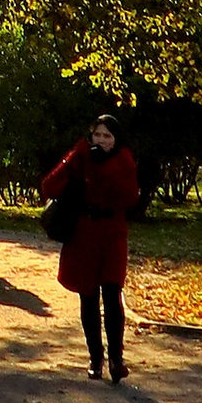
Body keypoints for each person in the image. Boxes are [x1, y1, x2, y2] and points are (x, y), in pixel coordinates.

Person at [39, 113, 140, 380]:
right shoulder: (81, 155)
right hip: (84, 231)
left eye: (107, 136)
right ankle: (96, 358)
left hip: (112, 233)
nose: (102, 140)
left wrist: (108, 167)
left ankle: (116, 359)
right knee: (88, 295)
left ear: (116, 139)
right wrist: (78, 160)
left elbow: (130, 196)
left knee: (112, 293)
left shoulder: (124, 159)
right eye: (97, 135)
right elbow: (50, 185)